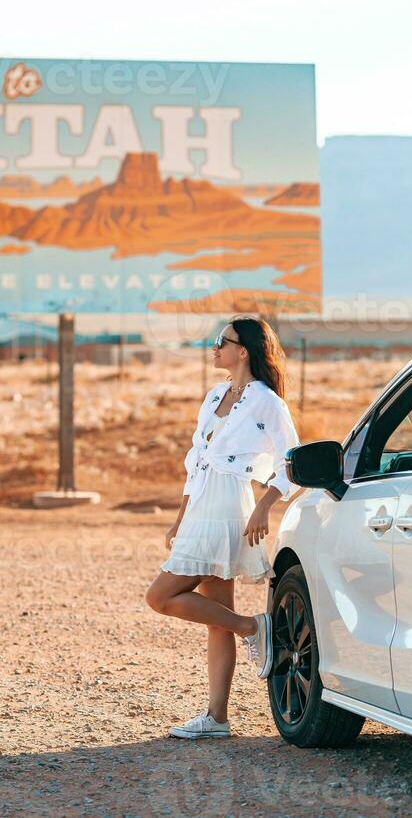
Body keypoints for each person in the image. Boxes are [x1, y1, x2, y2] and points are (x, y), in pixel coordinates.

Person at [145, 315, 301, 739]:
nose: (214, 348)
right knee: (218, 617)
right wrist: (181, 517)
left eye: (222, 341)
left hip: (231, 503)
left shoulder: (268, 402)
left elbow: (293, 462)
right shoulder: (215, 394)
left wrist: (265, 506)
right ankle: (217, 718)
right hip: (202, 507)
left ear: (243, 350)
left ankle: (253, 627)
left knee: (160, 596)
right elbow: (196, 463)